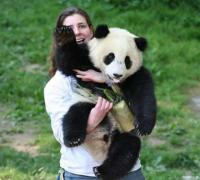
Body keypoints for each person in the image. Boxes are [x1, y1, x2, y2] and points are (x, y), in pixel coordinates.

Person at [44, 7, 145, 180]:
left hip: (127, 168)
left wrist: (106, 79)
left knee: (130, 142)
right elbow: (64, 137)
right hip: (82, 173)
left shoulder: (114, 67)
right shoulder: (57, 85)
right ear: (61, 38)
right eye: (69, 29)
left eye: (82, 26)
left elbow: (139, 108)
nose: (77, 32)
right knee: (78, 112)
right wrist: (95, 116)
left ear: (91, 30)